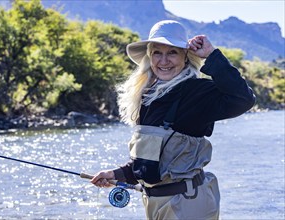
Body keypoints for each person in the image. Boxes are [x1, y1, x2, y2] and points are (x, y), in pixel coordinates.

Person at [91, 20, 255, 219]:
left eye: (172, 52)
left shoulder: (197, 91)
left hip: (188, 203)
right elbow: (151, 160)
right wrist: (117, 175)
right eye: (157, 53)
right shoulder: (148, 96)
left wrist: (212, 55)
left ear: (185, 56)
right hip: (156, 204)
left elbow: (243, 99)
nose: (164, 61)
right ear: (149, 57)